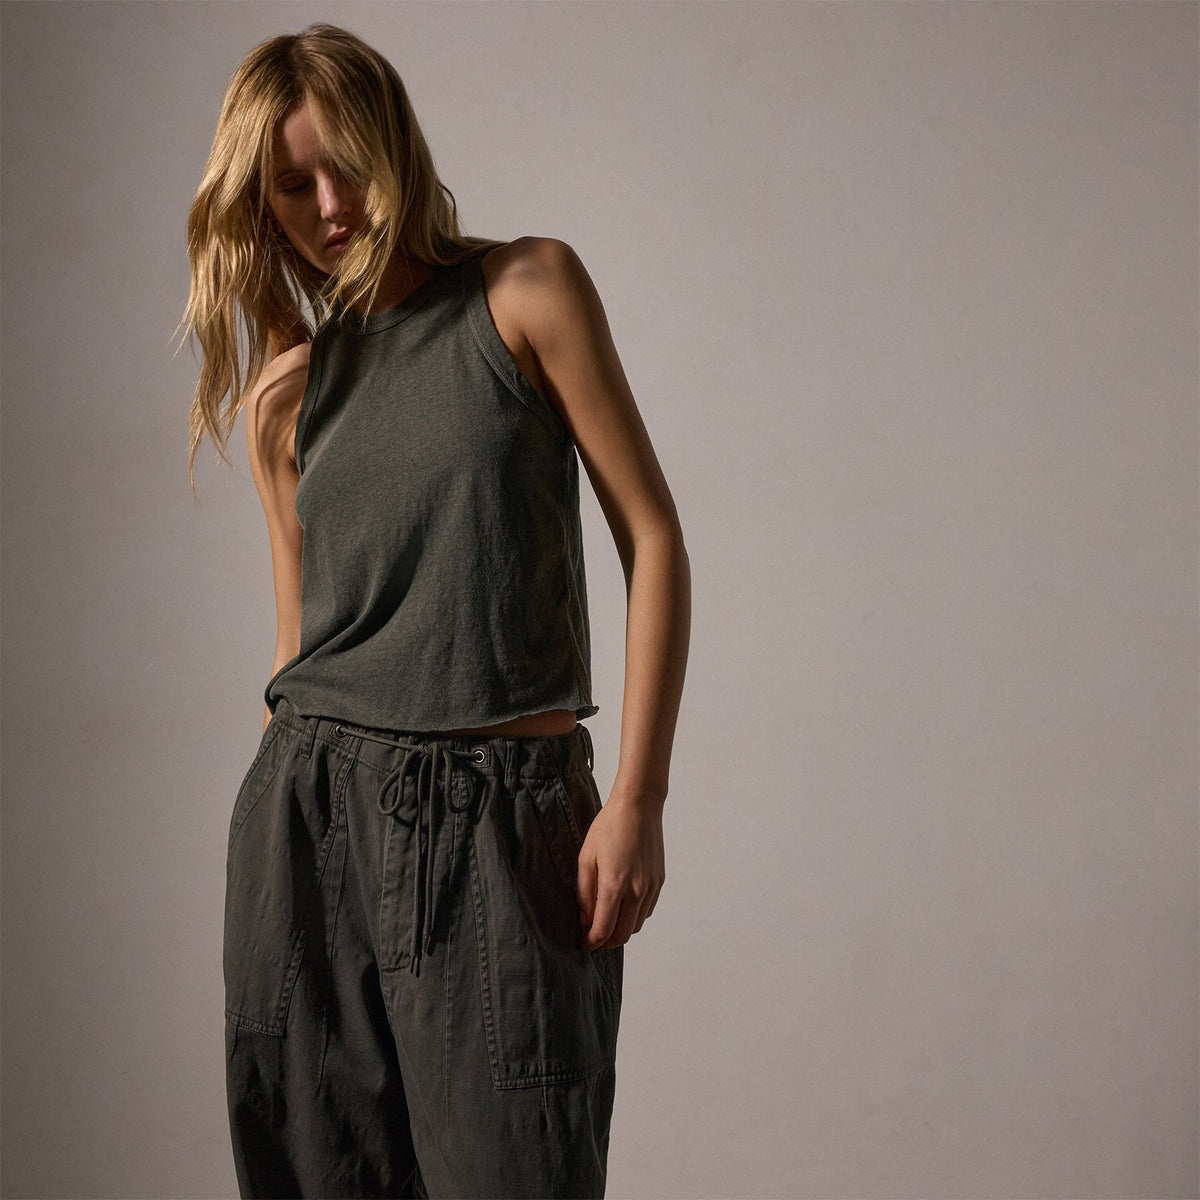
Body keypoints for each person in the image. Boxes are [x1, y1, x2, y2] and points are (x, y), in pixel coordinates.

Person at [179, 21, 690, 1200]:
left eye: (346, 164)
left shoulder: (525, 291)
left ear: (396, 146)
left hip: (502, 825)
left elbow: (654, 539)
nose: (330, 205)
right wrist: (279, 836)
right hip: (313, 819)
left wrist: (640, 799)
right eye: (291, 185)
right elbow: (297, 649)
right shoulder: (286, 395)